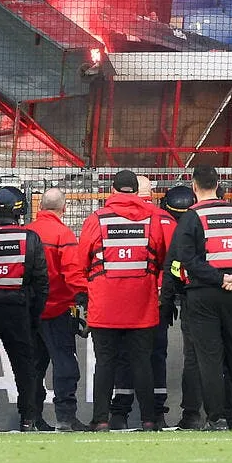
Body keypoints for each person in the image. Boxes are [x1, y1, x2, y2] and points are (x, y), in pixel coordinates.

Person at [169, 166, 232, 432]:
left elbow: (186, 259)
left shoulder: (191, 217)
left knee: (209, 357)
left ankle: (217, 418)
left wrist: (219, 278)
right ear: (218, 183)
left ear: (194, 186)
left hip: (203, 294)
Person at [78, 170, 167, 432]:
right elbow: (161, 256)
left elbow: (81, 259)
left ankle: (101, 420)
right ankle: (149, 420)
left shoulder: (97, 219)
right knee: (142, 362)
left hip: (104, 305)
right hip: (142, 305)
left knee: (105, 362)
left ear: (113, 190)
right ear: (136, 191)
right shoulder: (153, 218)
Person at [0, 188, 48, 432]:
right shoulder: (29, 237)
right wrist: (33, 316)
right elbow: (41, 282)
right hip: (17, 309)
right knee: (25, 367)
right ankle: (28, 417)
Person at [110, 176, 176, 429]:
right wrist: (167, 294)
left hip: (118, 298)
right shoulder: (164, 219)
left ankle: (119, 412)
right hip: (156, 299)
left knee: (122, 355)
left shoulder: (109, 217)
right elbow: (174, 261)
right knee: (156, 354)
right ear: (152, 192)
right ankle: (156, 413)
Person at [27, 187, 89, 432]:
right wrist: (86, 297)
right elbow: (72, 274)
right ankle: (65, 417)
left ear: (40, 207)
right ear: (64, 209)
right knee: (65, 365)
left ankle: (31, 417)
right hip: (58, 310)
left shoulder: (27, 232)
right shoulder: (63, 235)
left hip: (29, 311)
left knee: (33, 366)